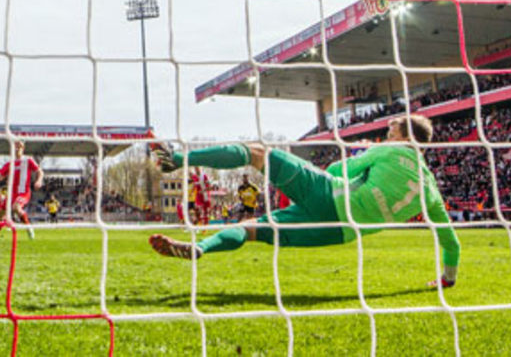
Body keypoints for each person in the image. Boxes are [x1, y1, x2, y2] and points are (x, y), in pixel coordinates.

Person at [148, 116, 461, 288]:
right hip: (339, 232)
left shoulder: (391, 151)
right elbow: (451, 243)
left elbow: (339, 170)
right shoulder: (431, 190)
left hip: (328, 194)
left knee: (256, 152)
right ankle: (200, 248)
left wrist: (357, 158)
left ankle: (176, 159)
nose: (387, 136)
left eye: (391, 131)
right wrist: (447, 279)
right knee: (252, 229)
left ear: (403, 138)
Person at [0, 141, 44, 242]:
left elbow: (40, 171)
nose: (17, 148)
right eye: (15, 146)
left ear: (23, 148)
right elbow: (0, 177)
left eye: (19, 146)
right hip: (11, 194)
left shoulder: (28, 160)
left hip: (23, 193)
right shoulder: (9, 164)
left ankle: (28, 227)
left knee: (16, 207)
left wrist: (39, 181)